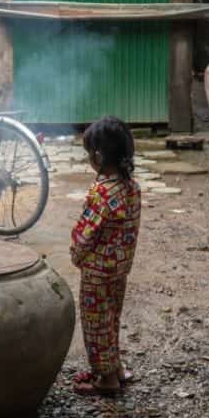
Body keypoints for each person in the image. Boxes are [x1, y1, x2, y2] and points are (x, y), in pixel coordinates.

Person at [69, 117, 142, 397]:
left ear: (98, 156)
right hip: (119, 269)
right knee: (112, 318)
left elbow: (85, 233)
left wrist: (77, 256)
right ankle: (116, 367)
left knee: (96, 324)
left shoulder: (101, 192)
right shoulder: (131, 187)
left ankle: (106, 378)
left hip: (97, 272)